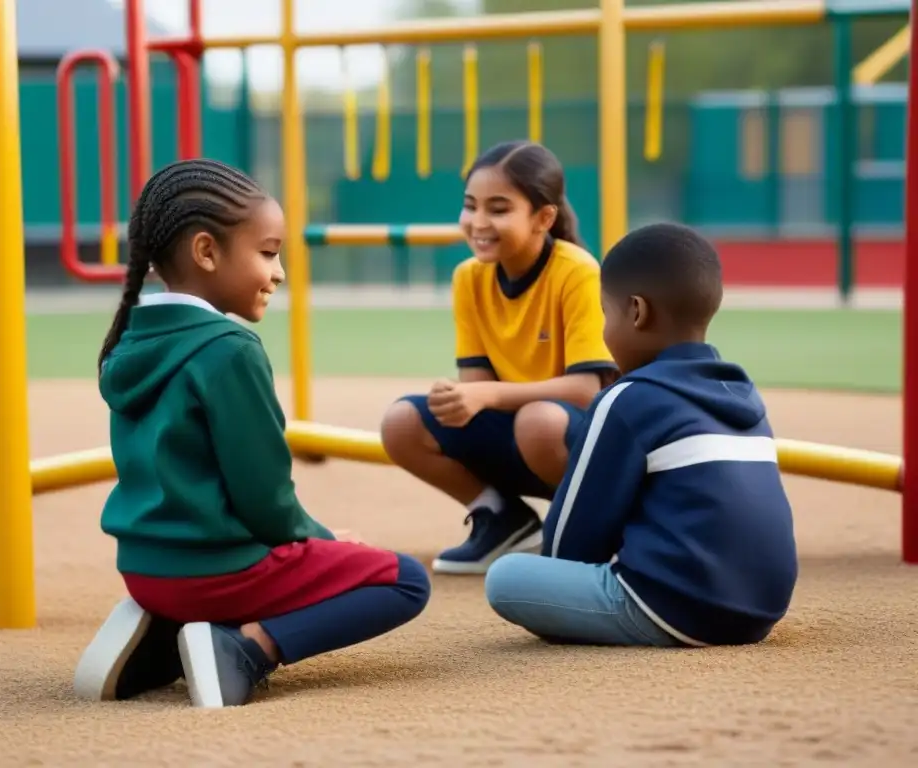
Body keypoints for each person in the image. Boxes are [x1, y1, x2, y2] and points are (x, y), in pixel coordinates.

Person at [72, 159, 430, 709]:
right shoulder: (229, 349)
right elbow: (265, 501)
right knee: (405, 580)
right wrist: (325, 539)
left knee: (310, 563)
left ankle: (162, 642)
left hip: (144, 573)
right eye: (267, 252)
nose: (279, 271)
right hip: (215, 572)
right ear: (207, 252)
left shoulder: (130, 341)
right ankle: (244, 649)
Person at [484, 222, 799, 648]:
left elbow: (567, 549)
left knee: (507, 577)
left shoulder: (628, 398)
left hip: (675, 609)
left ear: (636, 311)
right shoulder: (741, 392)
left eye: (605, 314)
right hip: (763, 611)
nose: (603, 331)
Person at [380, 141, 618, 576]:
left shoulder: (577, 271)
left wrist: (485, 394)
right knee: (401, 423)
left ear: (544, 217)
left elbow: (587, 392)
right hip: (522, 433)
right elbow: (476, 383)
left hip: (577, 442)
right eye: (470, 206)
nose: (479, 222)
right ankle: (503, 520)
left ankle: (591, 533)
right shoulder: (469, 277)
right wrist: (459, 397)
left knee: (538, 421)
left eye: (499, 208)